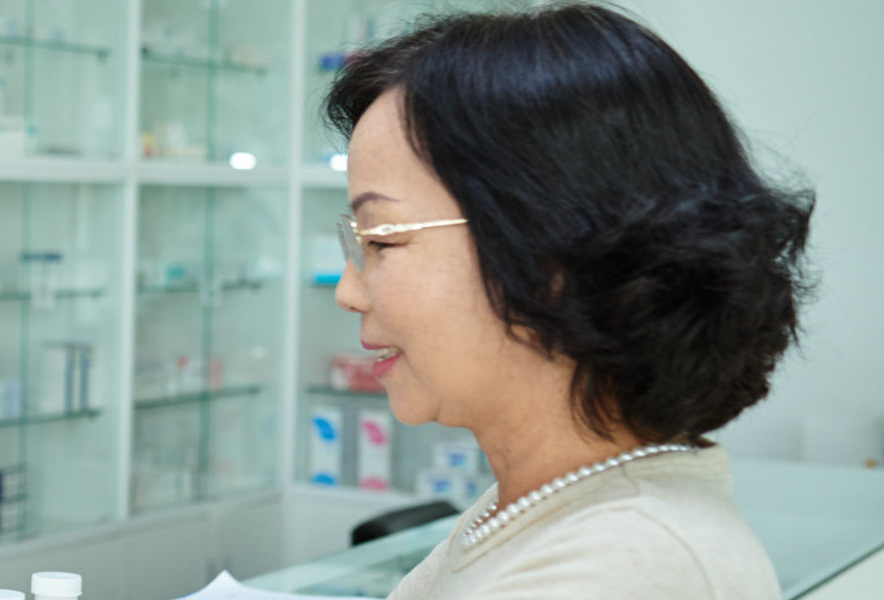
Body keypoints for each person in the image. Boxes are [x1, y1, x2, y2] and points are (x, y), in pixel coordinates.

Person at [324, 4, 811, 598]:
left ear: (551, 249)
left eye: (382, 239)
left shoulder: (622, 568)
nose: (349, 292)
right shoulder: (551, 498)